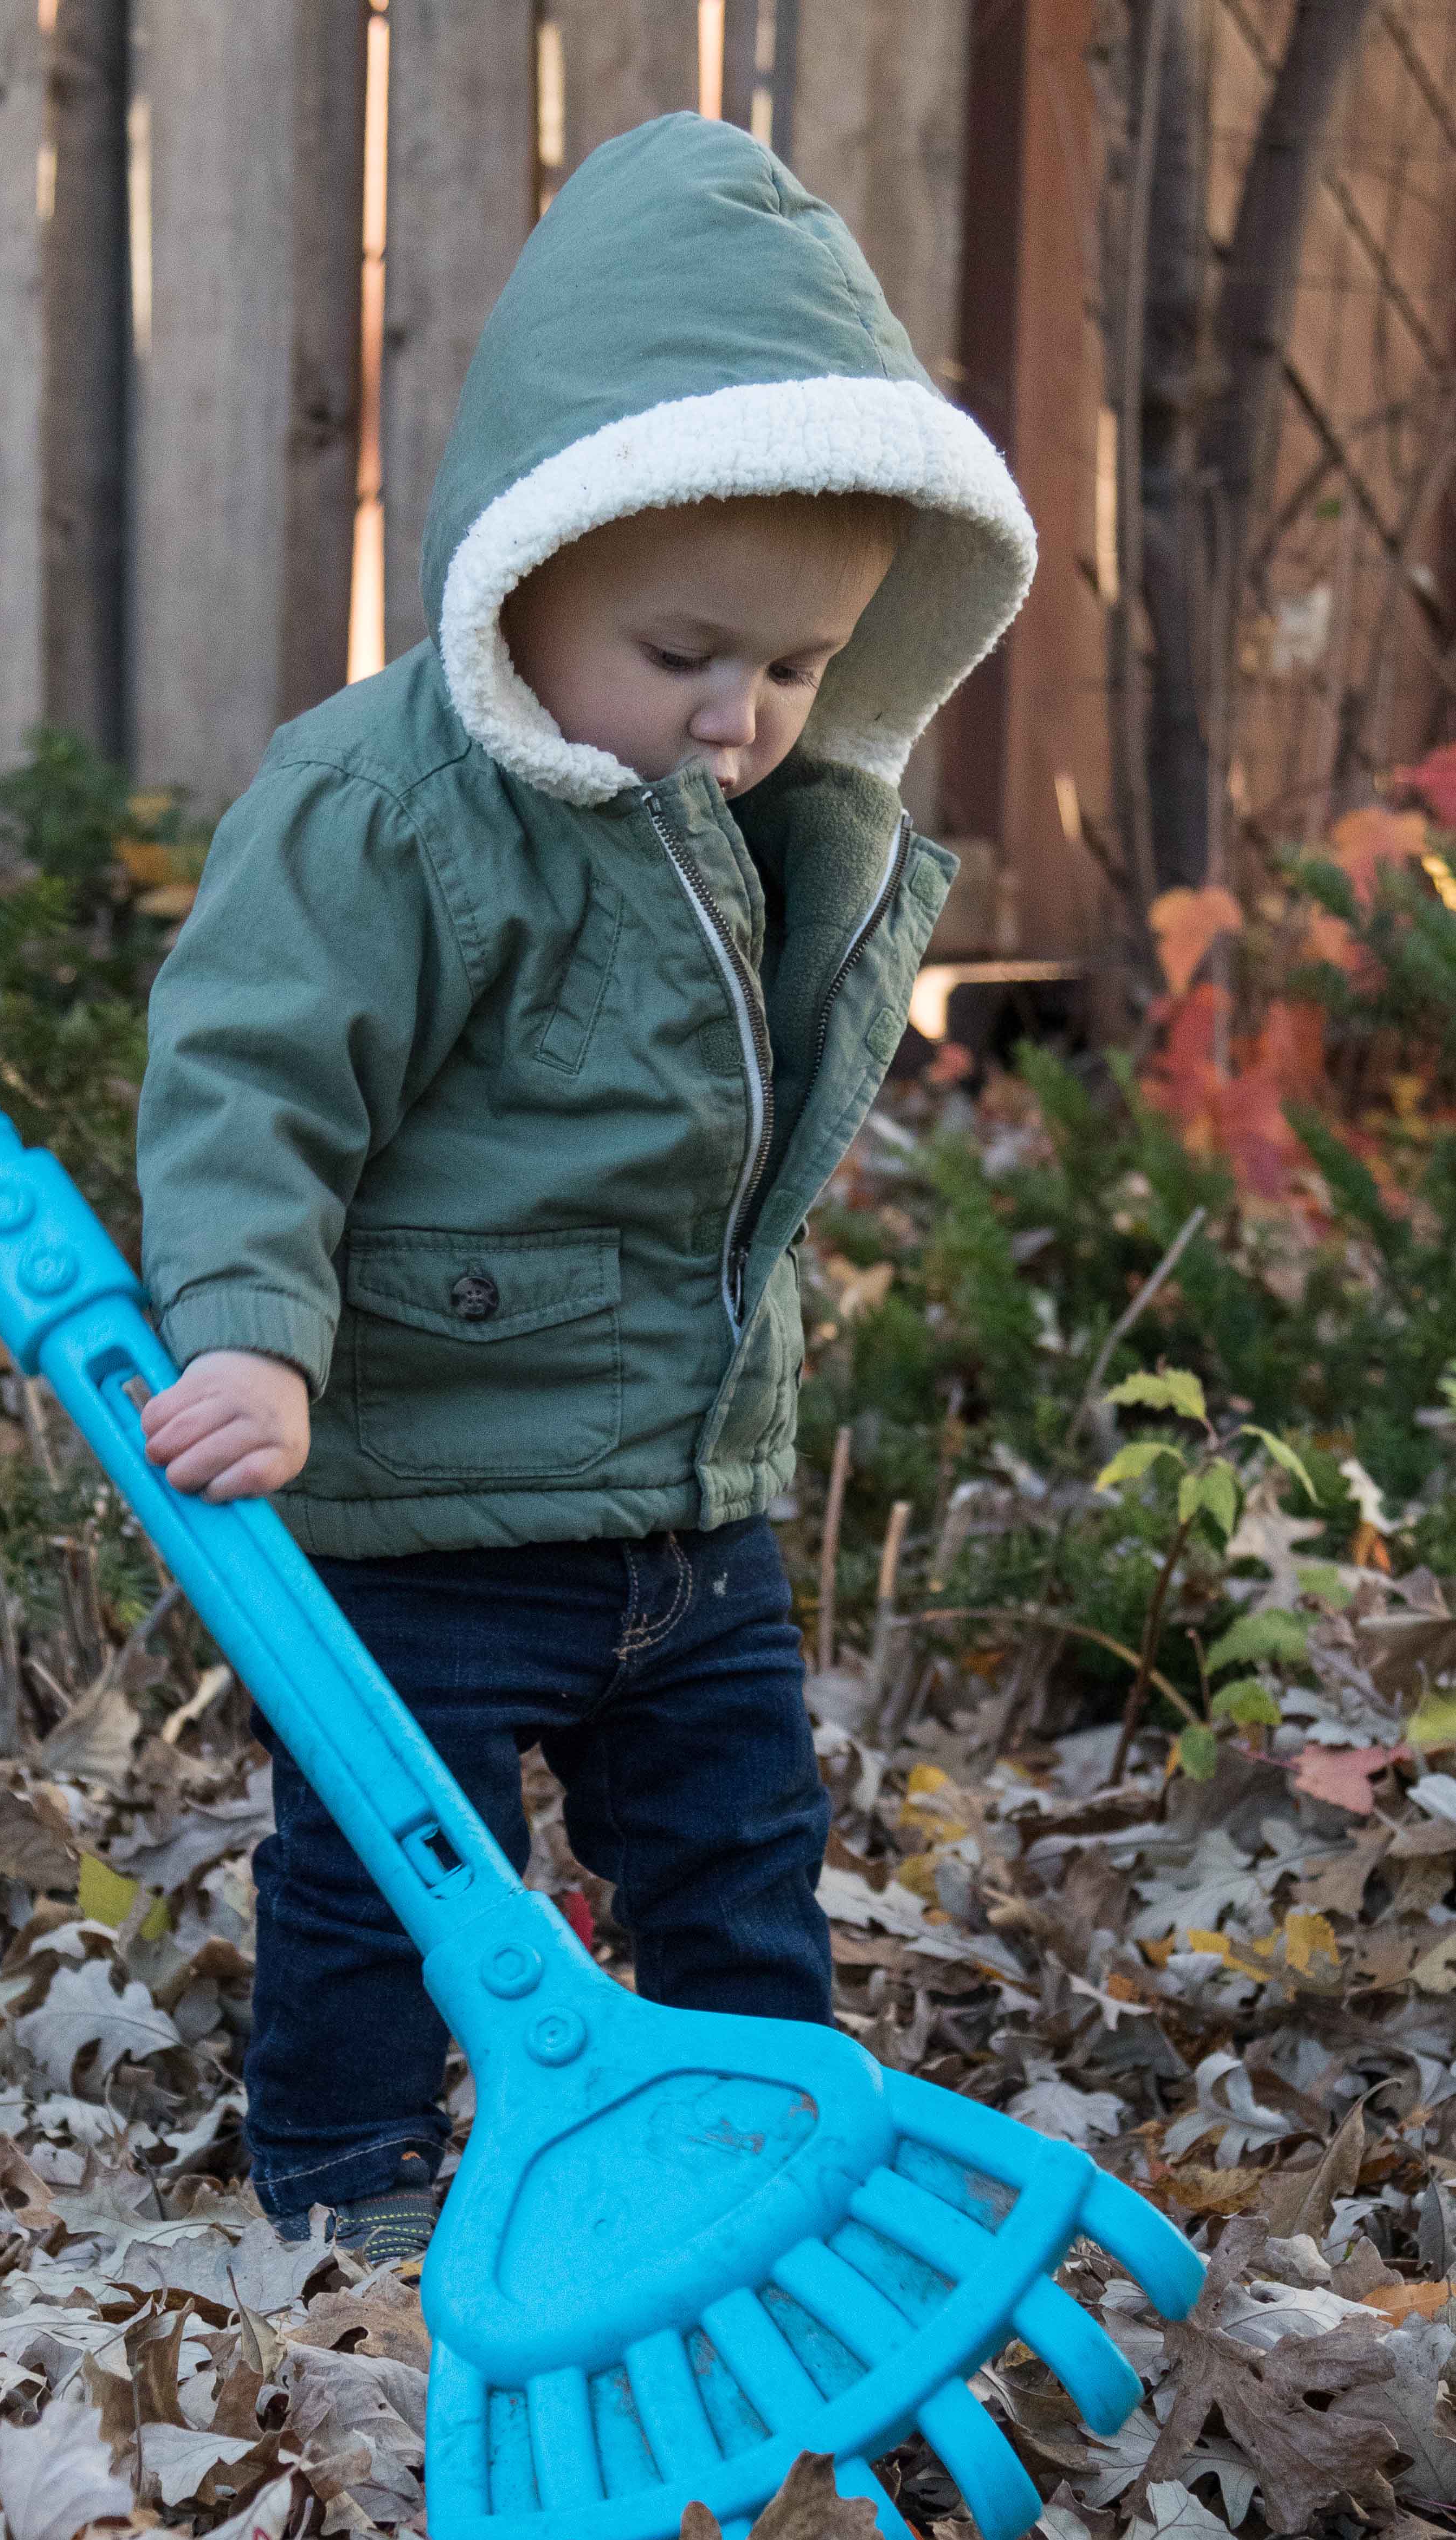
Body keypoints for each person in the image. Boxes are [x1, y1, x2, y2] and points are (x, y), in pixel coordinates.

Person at [136, 113, 1034, 2262]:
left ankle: (763, 2172)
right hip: (436, 1510)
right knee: (384, 1866)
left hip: (693, 1503)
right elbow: (254, 1070)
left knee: (738, 1855)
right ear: (526, 563)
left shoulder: (759, 820)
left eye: (804, 667)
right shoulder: (384, 812)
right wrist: (250, 1326)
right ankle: (344, 2202)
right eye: (684, 651)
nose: (741, 715)